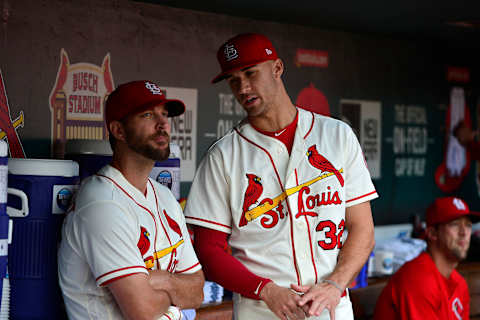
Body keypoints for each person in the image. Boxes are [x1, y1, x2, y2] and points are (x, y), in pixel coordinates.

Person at [184, 33, 378, 320]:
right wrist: (265, 290)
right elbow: (208, 250)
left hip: (330, 307)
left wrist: (335, 284)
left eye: (250, 73)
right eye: (234, 80)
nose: (243, 87)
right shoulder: (223, 156)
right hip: (261, 310)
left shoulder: (337, 137)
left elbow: (363, 229)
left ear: (277, 68)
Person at [58, 80, 204, 320]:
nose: (162, 124)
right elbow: (143, 310)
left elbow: (197, 290)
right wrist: (175, 291)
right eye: (147, 115)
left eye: (164, 114)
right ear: (118, 130)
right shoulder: (102, 203)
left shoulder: (164, 196)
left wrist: (164, 280)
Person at [374, 196, 478, 319]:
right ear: (433, 233)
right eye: (454, 224)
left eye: (468, 225)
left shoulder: (459, 283)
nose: (464, 233)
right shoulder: (418, 279)